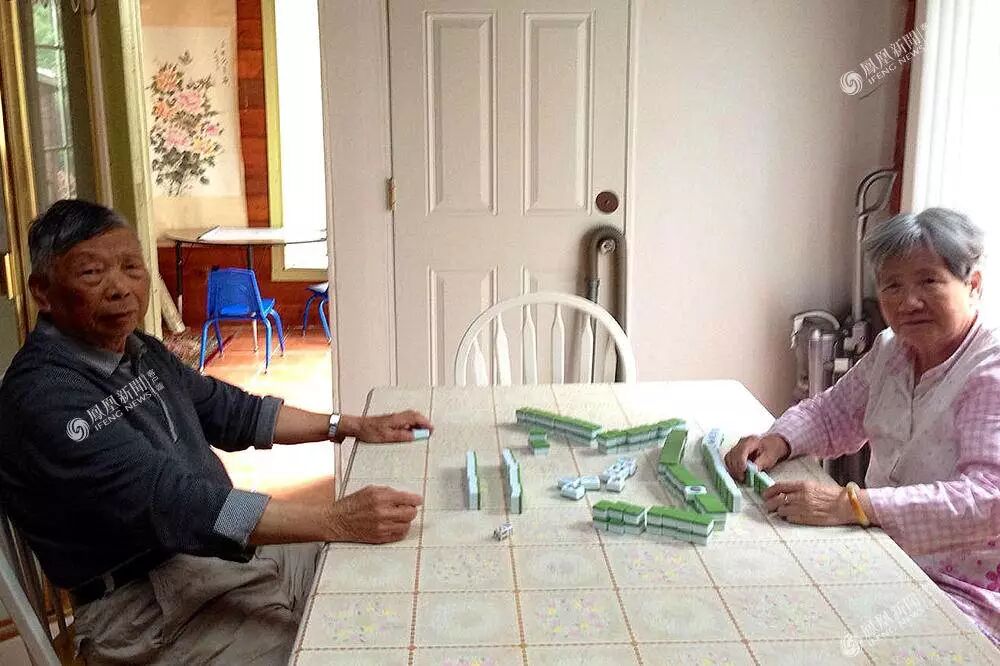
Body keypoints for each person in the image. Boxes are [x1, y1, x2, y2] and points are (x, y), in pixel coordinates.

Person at [0, 199, 432, 664]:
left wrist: (350, 425)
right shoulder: (42, 398)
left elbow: (232, 411)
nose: (120, 288)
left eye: (131, 267)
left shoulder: (139, 350)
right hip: (146, 609)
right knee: (345, 652)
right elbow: (175, 503)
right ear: (43, 292)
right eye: (92, 273)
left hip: (224, 557)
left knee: (391, 573)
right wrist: (335, 518)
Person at [725, 207, 1000, 644]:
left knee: (851, 643)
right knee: (764, 595)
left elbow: (988, 502)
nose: (908, 302)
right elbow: (832, 413)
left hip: (963, 587)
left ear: (973, 284)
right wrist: (779, 440)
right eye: (892, 285)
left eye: (929, 281)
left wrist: (853, 505)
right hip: (879, 548)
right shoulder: (892, 349)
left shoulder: (990, 370)